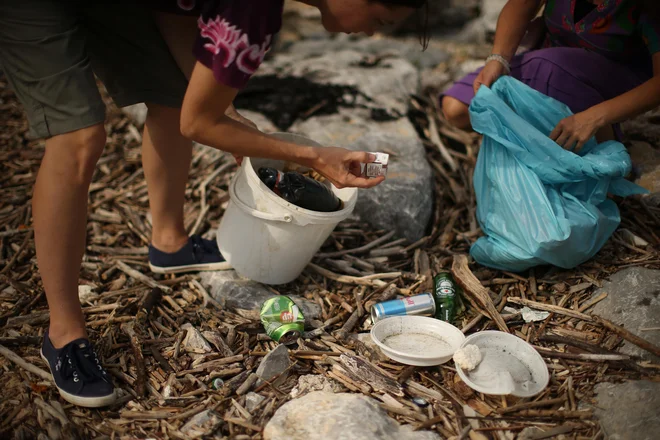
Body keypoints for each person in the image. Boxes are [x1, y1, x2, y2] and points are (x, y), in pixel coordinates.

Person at [0, 0, 428, 407]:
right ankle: (63, 332)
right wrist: (313, 155)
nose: (373, 32)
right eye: (382, 19)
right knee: (79, 138)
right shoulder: (255, 13)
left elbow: (175, 12)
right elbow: (199, 123)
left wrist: (227, 113)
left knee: (171, 95)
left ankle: (169, 242)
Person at [441, 0, 660, 152]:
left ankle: (604, 139)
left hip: (612, 80)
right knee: (457, 108)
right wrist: (498, 59)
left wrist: (595, 117)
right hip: (545, 63)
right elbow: (523, 5)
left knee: (552, 68)